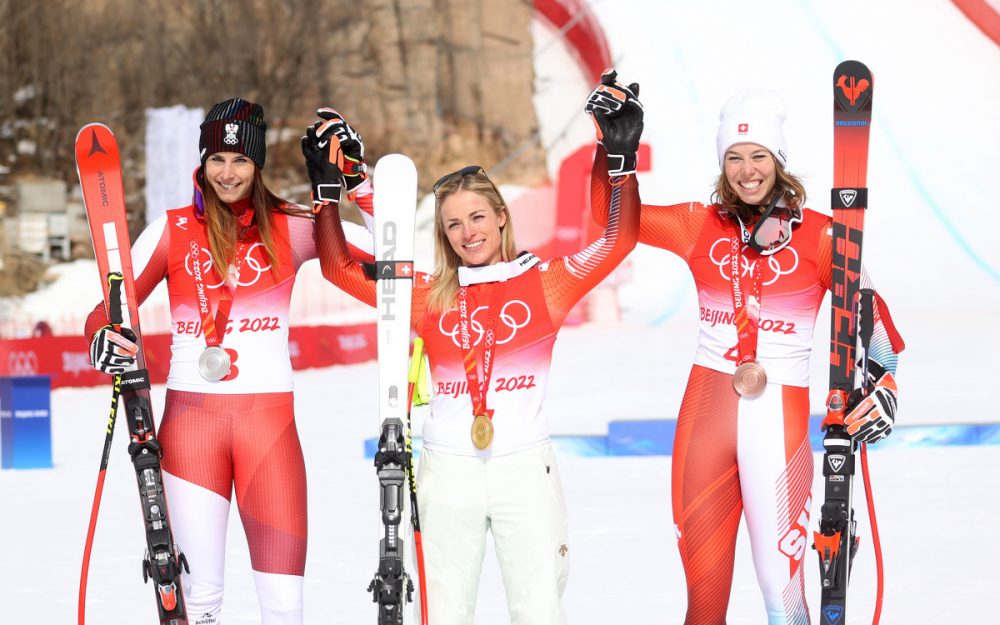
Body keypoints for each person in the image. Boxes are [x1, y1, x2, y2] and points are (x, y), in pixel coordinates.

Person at [302, 74, 643, 625]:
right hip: (447, 469)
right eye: (453, 224)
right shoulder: (430, 296)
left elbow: (617, 241)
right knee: (444, 613)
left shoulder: (546, 284)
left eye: (477, 217)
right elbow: (339, 269)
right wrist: (325, 192)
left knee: (539, 613)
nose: (467, 232)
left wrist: (619, 159)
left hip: (524, 469)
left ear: (502, 216)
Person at [590, 84, 905, 624]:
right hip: (705, 415)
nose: (746, 170)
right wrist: (613, 160)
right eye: (733, 158)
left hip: (776, 423)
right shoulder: (699, 224)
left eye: (758, 155)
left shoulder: (825, 237)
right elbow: (613, 222)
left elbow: (876, 322)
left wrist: (884, 387)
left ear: (778, 161)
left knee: (781, 590)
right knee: (704, 596)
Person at [84, 97, 367, 625]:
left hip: (270, 432)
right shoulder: (171, 230)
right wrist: (102, 336)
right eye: (217, 158)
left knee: (285, 608)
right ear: (201, 161)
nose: (228, 172)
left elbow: (382, 264)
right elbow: (107, 308)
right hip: (193, 430)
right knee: (200, 604)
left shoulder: (293, 226)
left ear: (257, 164)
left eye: (240, 160)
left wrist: (352, 189)